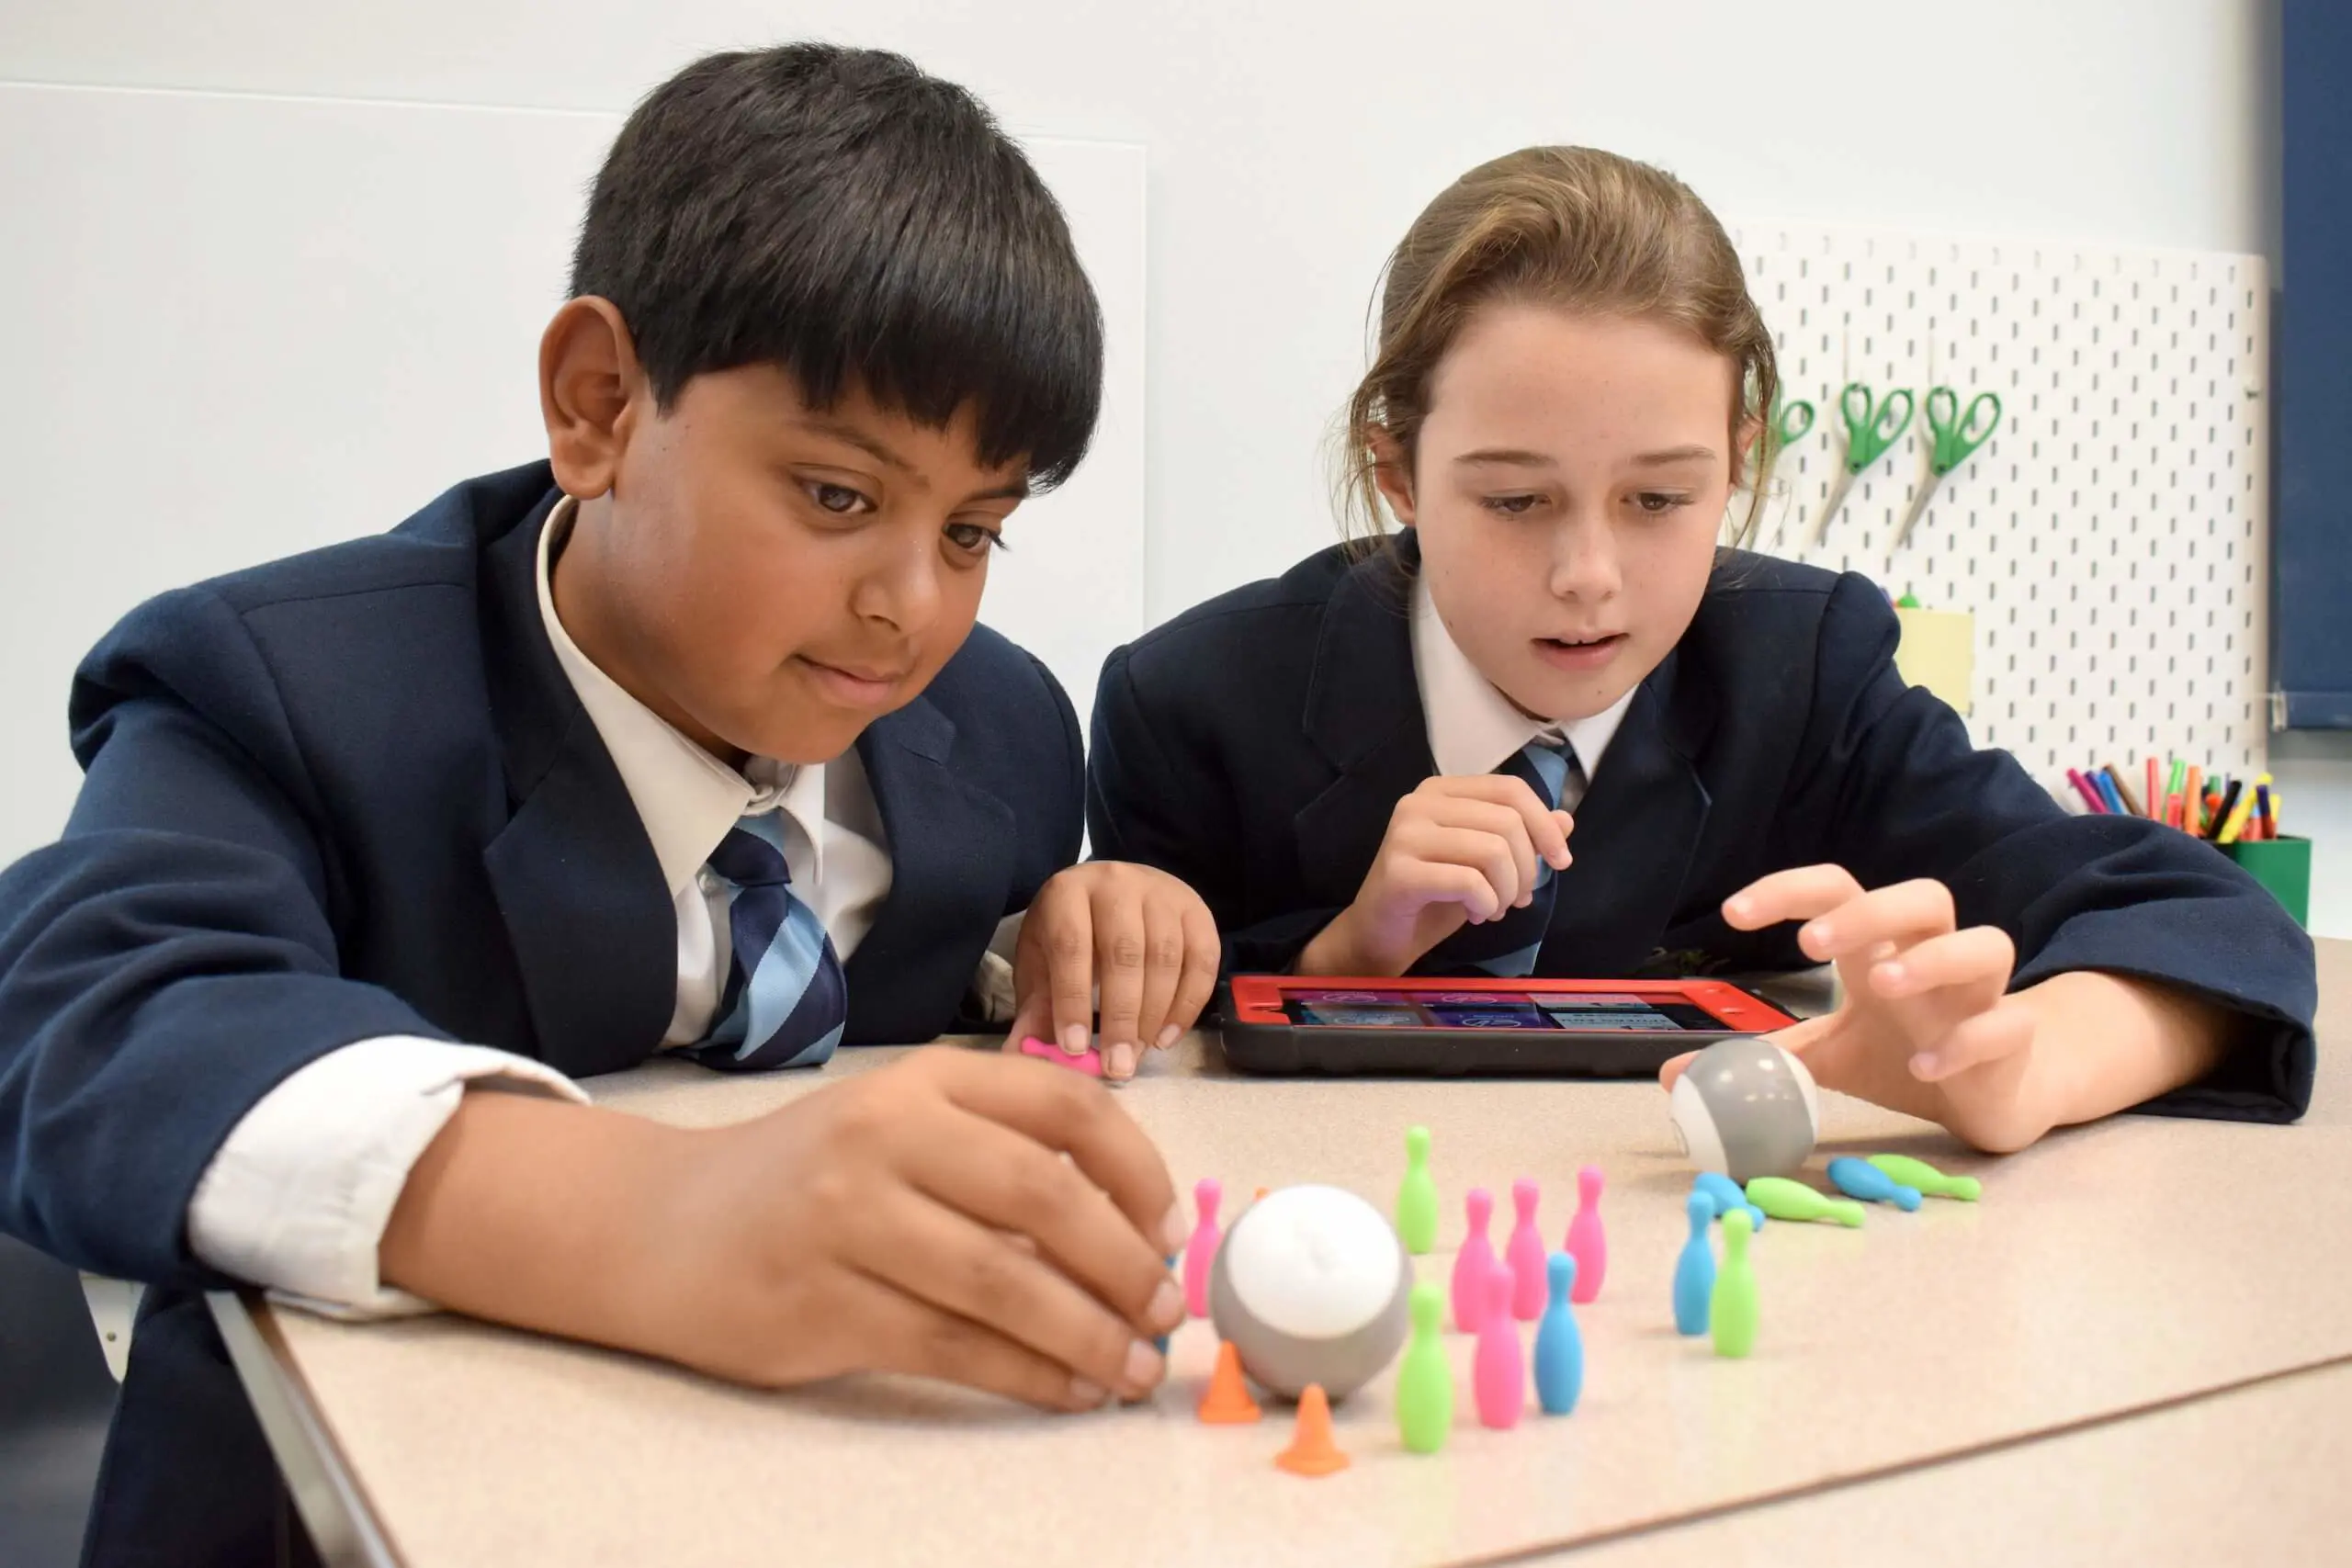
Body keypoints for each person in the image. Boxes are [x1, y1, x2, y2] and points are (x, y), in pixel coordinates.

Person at [0, 45, 1214, 1566]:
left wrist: (1055, 934)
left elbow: (957, 956)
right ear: (600, 404)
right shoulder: (287, 685)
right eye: (839, 495)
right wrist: (656, 1216)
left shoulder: (1001, 718)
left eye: (974, 530)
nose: (911, 605)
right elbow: (90, 1021)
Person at [1088, 145, 2315, 1156]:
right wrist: (1348, 957)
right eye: (1514, 501)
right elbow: (1131, 1051)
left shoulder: (1806, 675)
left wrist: (2022, 1068)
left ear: (1740, 456)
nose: (1589, 576)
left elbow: (2205, 920)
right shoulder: (1193, 703)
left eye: (1661, 499)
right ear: (1394, 467)